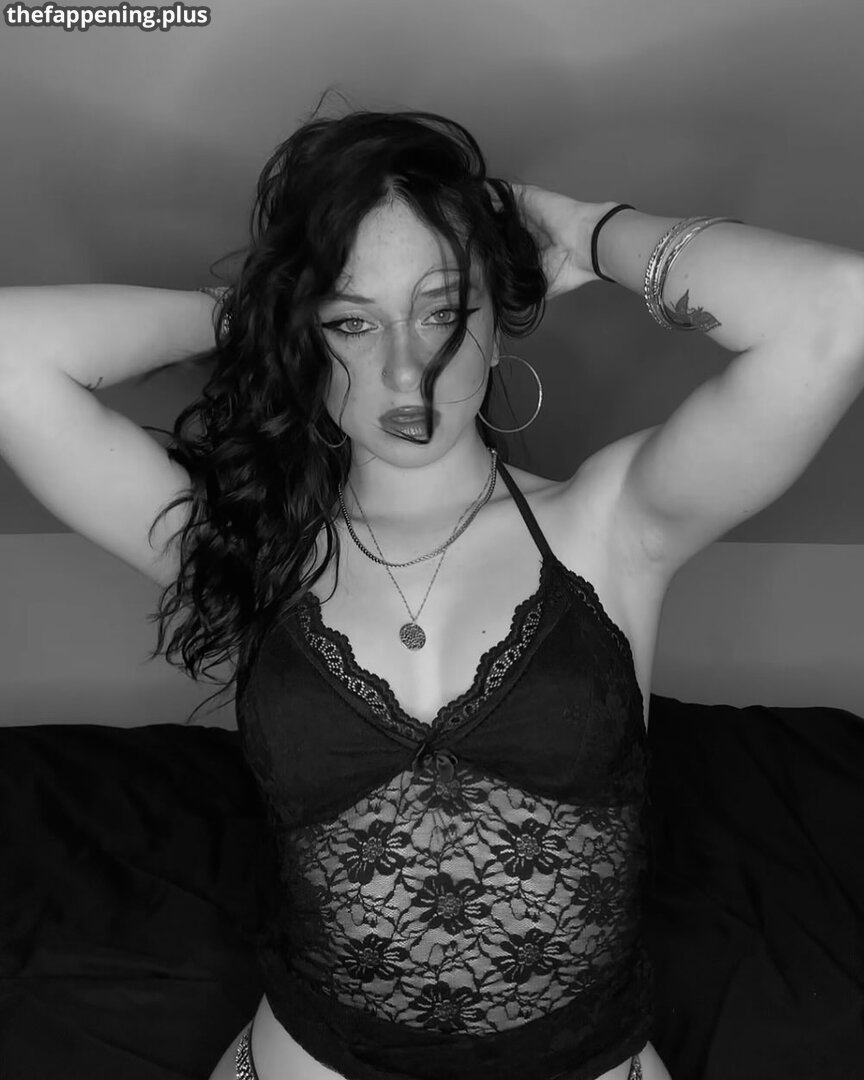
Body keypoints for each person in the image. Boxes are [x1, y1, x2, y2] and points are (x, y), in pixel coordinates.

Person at [1, 101, 862, 1080]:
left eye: (443, 310)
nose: (405, 366)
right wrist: (266, 314)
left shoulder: (613, 523)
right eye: (351, 321)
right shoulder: (247, 552)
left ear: (495, 325)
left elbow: (835, 310)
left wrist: (580, 228)